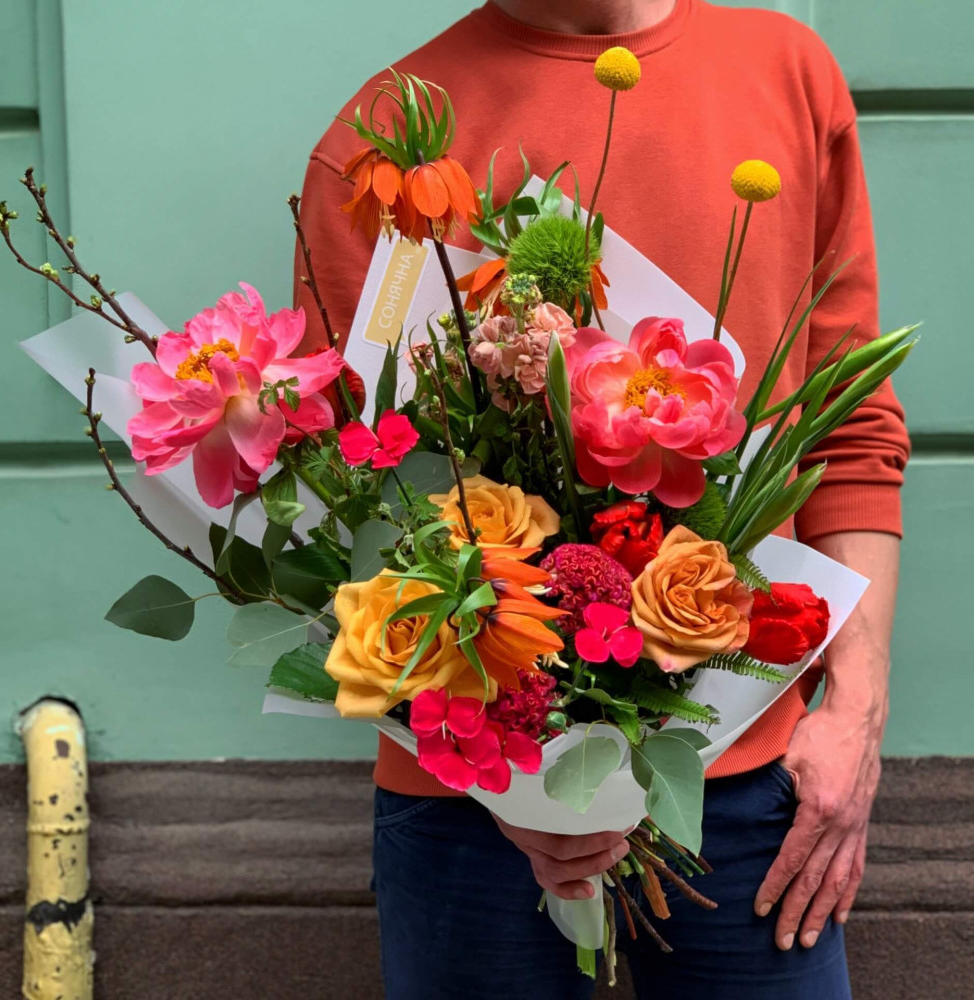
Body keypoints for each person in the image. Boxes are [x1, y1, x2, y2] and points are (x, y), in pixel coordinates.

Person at [294, 2, 909, 996]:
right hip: (471, 792)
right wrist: (523, 788)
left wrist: (857, 709)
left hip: (754, 773)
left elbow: (849, 428)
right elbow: (360, 480)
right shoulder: (387, 142)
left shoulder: (787, 72)